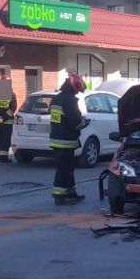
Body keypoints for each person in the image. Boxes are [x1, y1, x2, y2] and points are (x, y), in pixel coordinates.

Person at [49, 73, 88, 205]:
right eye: (78, 89)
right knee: (64, 169)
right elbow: (75, 121)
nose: (78, 92)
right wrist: (84, 123)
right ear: (74, 87)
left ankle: (71, 193)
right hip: (65, 141)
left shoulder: (57, 98)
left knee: (68, 168)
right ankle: (59, 196)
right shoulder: (70, 100)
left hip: (57, 139)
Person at [0, 77, 18, 164]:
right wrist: (4, 117)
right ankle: (4, 158)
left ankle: (0, 157)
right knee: (5, 140)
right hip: (7, 122)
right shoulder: (11, 94)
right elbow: (13, 107)